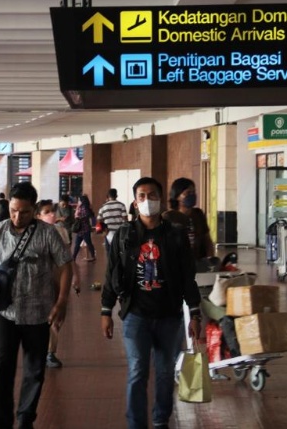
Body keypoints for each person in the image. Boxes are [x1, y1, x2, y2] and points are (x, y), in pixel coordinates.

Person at [0, 182, 72, 429]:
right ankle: (0, 422)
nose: (18, 216)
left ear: (34, 209)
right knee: (2, 369)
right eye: (13, 210)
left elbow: (65, 266)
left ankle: (25, 418)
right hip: (5, 313)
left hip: (38, 314)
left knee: (35, 371)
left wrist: (61, 301)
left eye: (24, 212)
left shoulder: (47, 233)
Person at [101, 177, 201, 429]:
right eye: (142, 196)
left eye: (153, 195)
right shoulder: (124, 236)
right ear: (135, 202)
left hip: (169, 315)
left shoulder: (175, 236)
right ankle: (136, 424)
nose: (148, 201)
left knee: (165, 373)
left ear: (160, 198)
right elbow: (111, 273)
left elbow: (187, 276)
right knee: (137, 372)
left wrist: (195, 312)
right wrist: (106, 310)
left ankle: (160, 420)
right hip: (136, 315)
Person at [35, 199, 80, 369]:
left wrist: (76, 276)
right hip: (40, 281)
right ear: (38, 215)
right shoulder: (34, 232)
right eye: (46, 212)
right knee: (46, 317)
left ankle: (49, 351)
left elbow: (69, 257)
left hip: (59, 278)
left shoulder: (61, 231)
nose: (52, 214)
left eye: (52, 211)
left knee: (59, 316)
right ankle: (48, 352)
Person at [161, 177, 214, 262]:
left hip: (198, 262)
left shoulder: (198, 214)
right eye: (188, 193)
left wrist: (210, 259)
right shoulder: (169, 217)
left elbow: (207, 239)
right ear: (177, 196)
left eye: (193, 192)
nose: (192, 195)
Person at [72, 195, 96, 262]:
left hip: (82, 229)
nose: (78, 201)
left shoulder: (83, 208)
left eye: (79, 200)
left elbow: (82, 216)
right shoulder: (85, 207)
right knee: (87, 243)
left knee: (78, 244)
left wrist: (78, 217)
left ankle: (74, 257)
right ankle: (92, 256)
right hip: (85, 229)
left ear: (82, 201)